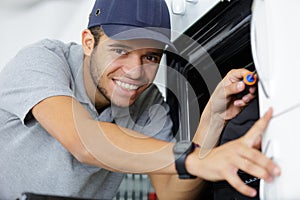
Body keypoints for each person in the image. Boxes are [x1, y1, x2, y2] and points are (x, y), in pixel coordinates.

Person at [0, 0, 280, 199]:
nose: (136, 72)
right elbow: (84, 141)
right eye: (121, 50)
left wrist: (213, 119)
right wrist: (194, 159)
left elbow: (173, 193)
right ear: (89, 42)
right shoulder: (42, 60)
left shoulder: (147, 102)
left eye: (150, 57)